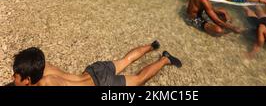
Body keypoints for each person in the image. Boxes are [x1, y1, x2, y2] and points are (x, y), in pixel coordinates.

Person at [9, 42, 182, 86]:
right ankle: (152, 46)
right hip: (94, 70)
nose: (12, 78)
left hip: (103, 84)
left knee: (139, 79)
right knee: (126, 60)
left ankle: (165, 59)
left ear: (27, 80)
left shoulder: (45, 84)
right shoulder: (42, 66)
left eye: (15, 76)